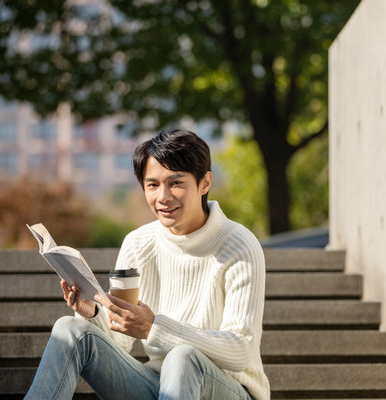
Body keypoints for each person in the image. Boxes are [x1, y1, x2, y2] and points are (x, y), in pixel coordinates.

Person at [25, 129, 270, 400]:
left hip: (228, 390)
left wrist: (154, 328)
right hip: (157, 386)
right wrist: (92, 313)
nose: (163, 197)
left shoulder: (239, 245)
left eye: (175, 183)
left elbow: (240, 350)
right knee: (69, 329)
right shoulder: (138, 244)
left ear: (204, 183)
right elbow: (120, 340)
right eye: (152, 185)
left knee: (183, 357)